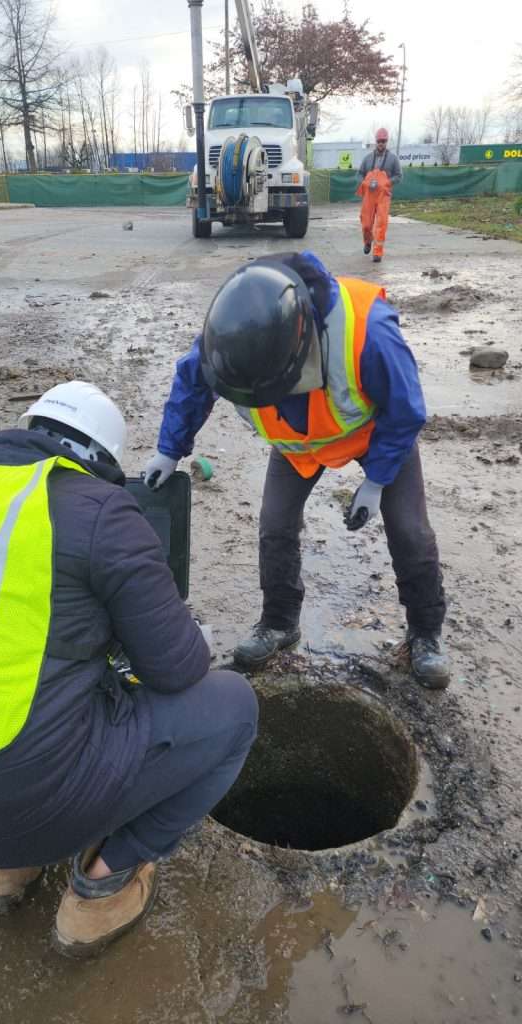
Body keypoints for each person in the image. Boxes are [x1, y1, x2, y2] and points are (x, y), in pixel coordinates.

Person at [0, 381, 257, 958]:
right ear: (100, 461)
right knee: (236, 710)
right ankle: (102, 888)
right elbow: (177, 668)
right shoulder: (97, 508)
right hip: (32, 796)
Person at [144, 252, 450, 690]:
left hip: (375, 436)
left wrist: (377, 480)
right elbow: (193, 381)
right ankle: (279, 622)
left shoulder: (370, 331)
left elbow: (406, 410)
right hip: (298, 446)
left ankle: (425, 632)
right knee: (275, 525)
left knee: (410, 530)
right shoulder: (232, 333)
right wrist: (169, 450)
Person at [356, 128, 402, 263]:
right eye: (379, 141)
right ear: (376, 142)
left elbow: (399, 176)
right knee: (366, 223)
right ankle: (367, 241)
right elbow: (359, 174)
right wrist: (365, 183)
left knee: (381, 224)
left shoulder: (393, 159)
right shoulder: (367, 159)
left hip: (383, 195)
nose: (381, 143)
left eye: (383, 141)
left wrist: (387, 182)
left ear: (386, 142)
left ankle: (377, 253)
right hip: (369, 195)